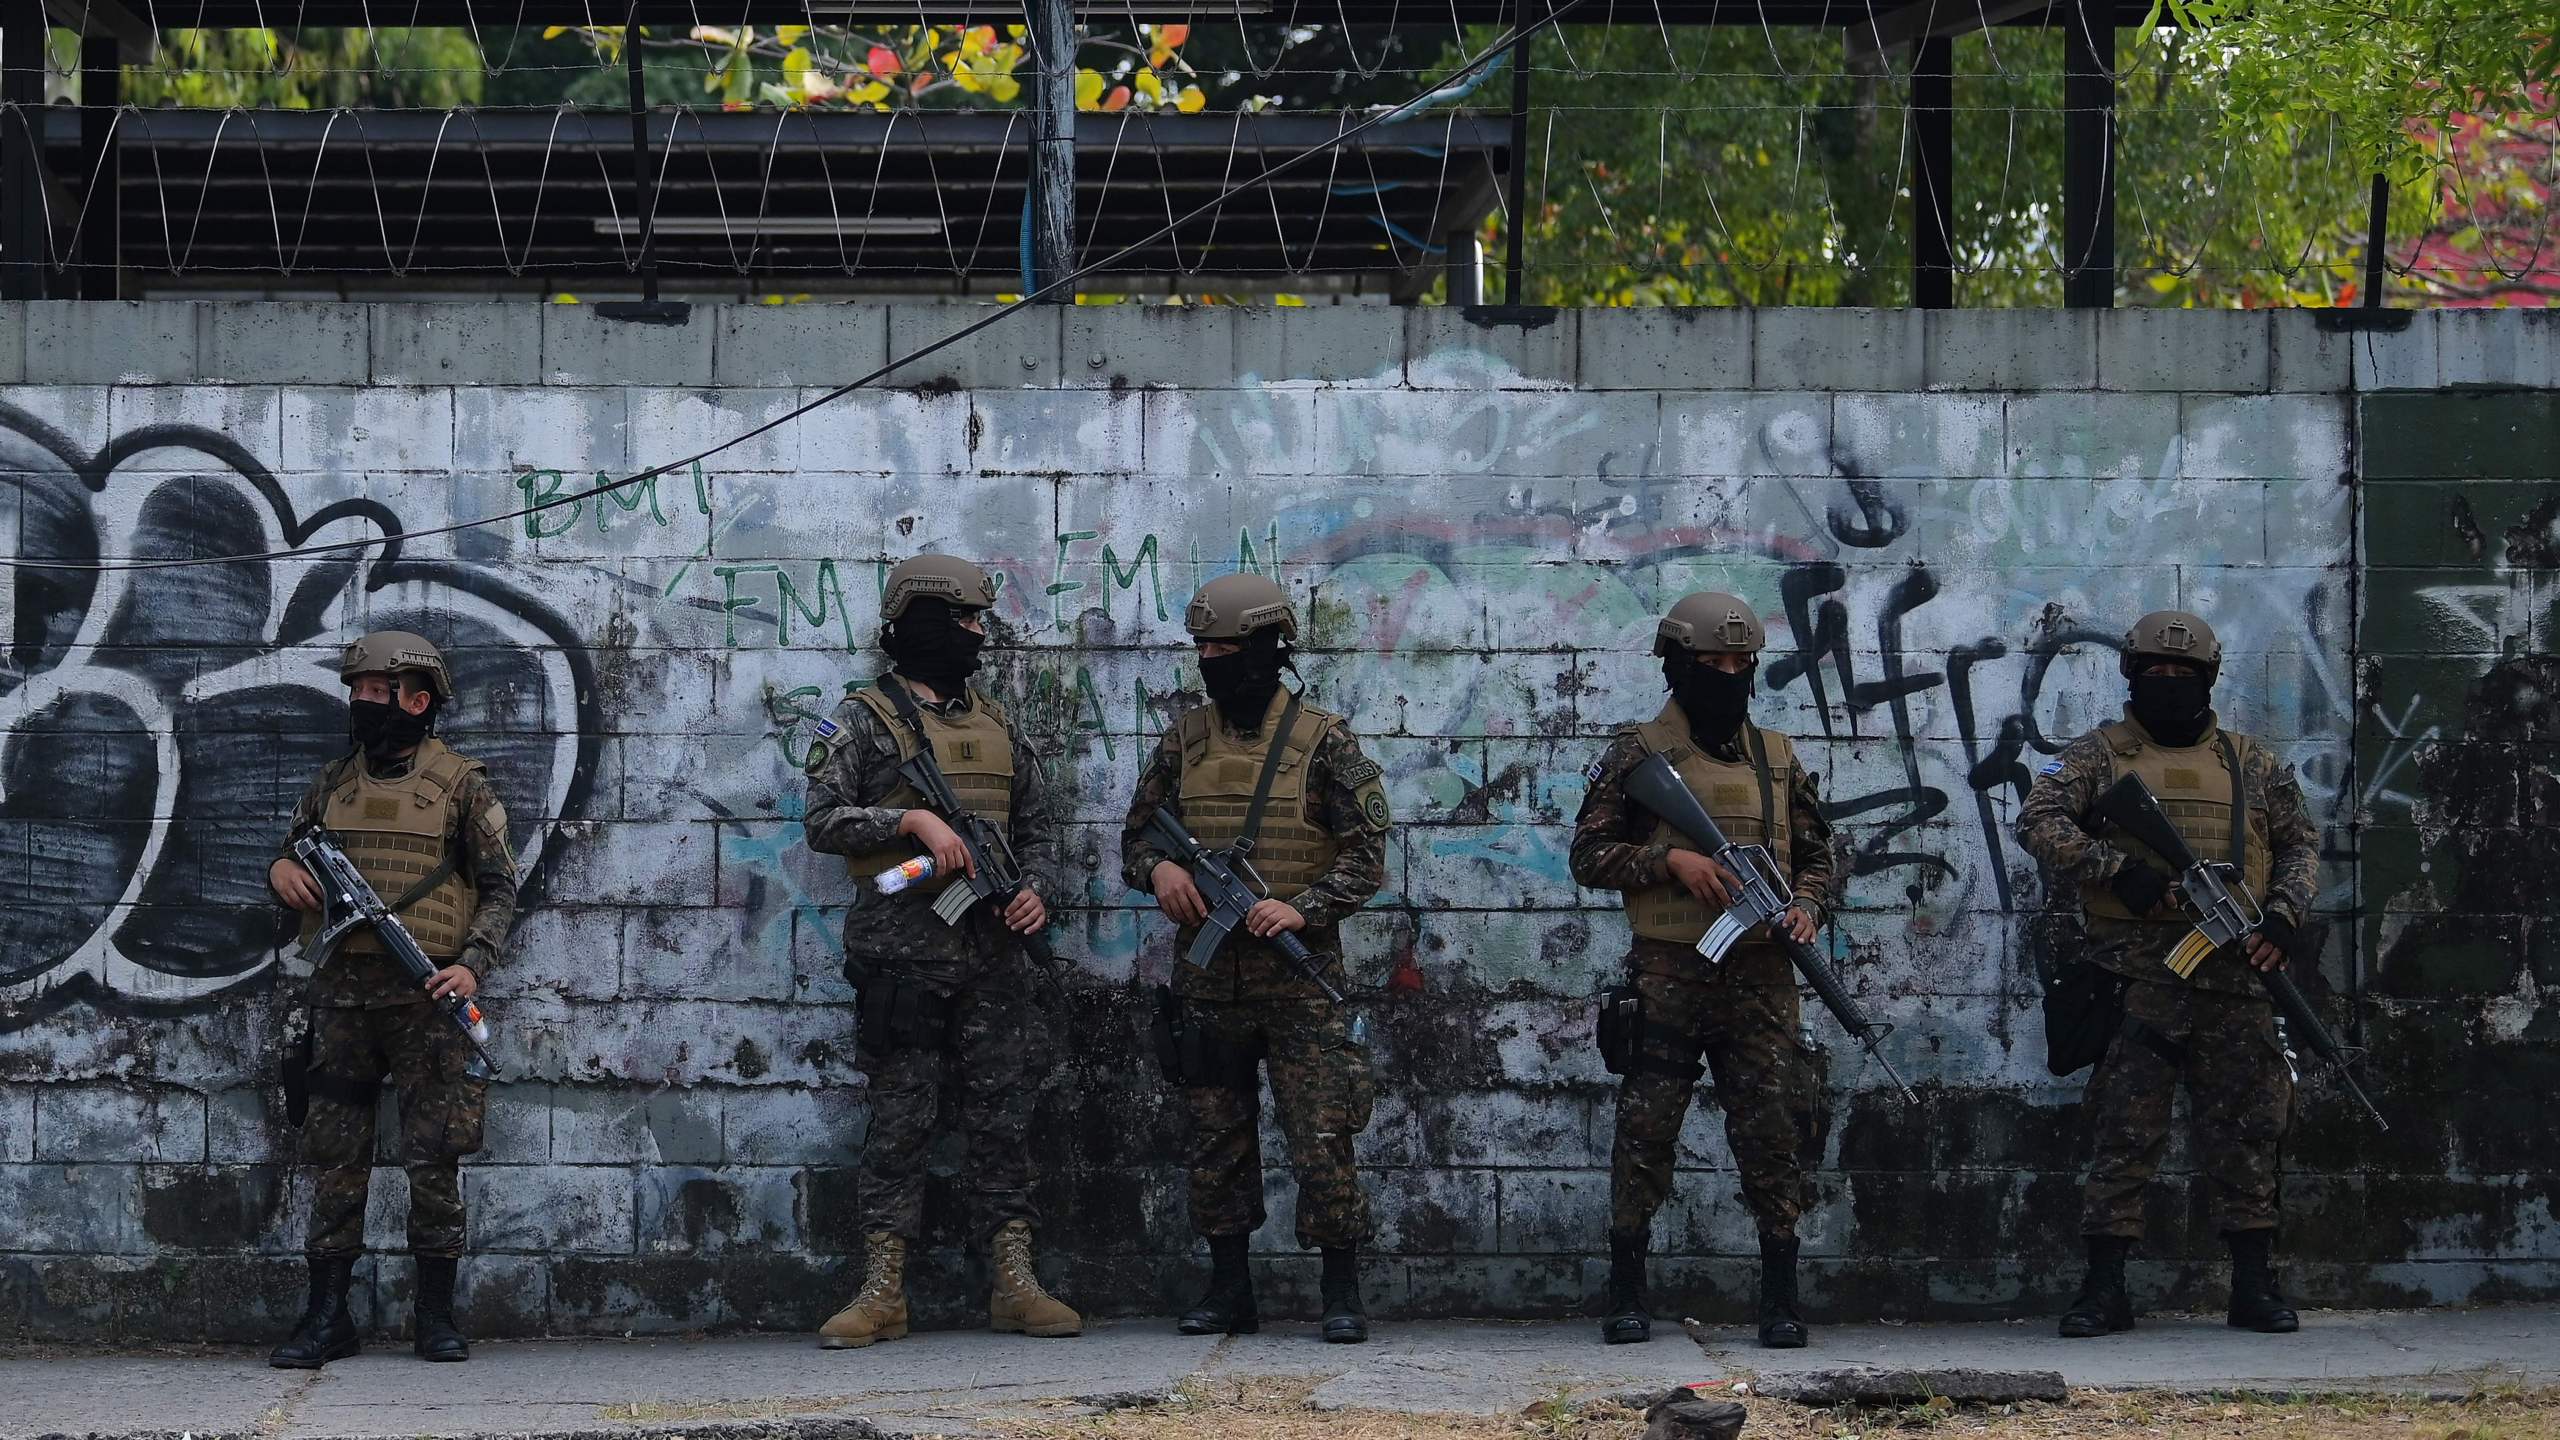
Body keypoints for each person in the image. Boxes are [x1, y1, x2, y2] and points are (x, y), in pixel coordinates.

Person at [2016, 609, 2322, 1339]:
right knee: (2123, 1134)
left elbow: (2299, 844)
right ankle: (2104, 1287)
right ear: (2131, 677)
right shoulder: (2099, 755)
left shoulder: (2250, 762)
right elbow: (2038, 821)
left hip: (2237, 977)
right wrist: (2118, 870)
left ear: (2208, 681)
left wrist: (2283, 916)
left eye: (2183, 675)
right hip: (2135, 980)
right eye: (2154, 672)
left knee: (2249, 1134)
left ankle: (2253, 1283)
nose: (2168, 684)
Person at [801, 554, 1079, 1348]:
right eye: (963, 620)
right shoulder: (859, 718)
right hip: (902, 960)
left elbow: (1039, 819)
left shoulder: (995, 721)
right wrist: (909, 825)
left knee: (1003, 1122)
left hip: (994, 959)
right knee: (899, 1126)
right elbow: (821, 820)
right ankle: (882, 1288)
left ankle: (1014, 1281)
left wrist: (1032, 888)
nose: (977, 635)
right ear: (922, 620)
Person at [1120, 573, 1392, 1344]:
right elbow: (1137, 836)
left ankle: (1341, 1288)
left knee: (1321, 1135)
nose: (1212, 659)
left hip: (1300, 981)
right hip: (1209, 979)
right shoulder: (1184, 740)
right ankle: (1229, 1288)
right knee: (1216, 1138)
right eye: (1203, 646)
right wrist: (1162, 871)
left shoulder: (1325, 740)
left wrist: (1302, 907)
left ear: (1271, 649)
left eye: (1228, 647)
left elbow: (1367, 857)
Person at [1571, 592, 1838, 1350]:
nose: (1727, 675)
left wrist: (1809, 906)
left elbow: (1820, 854)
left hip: (1763, 975)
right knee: (1647, 1132)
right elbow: (1588, 856)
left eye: (1739, 663)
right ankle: (1627, 1292)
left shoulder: (1777, 758)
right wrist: (1669, 860)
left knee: (1772, 1132)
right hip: (1668, 973)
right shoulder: (1638, 755)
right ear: (1677, 667)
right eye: (1711, 664)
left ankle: (1781, 1296)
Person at [266, 631, 518, 1368]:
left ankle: (434, 1317)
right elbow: (293, 846)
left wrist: (473, 964)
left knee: (433, 1159)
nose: (364, 706)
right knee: (335, 1157)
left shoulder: (464, 784)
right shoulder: (333, 781)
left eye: (379, 693)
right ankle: (327, 1317)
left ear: (419, 700)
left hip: (428, 997)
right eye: (359, 693)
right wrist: (282, 868)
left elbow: (501, 887)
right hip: (341, 997)